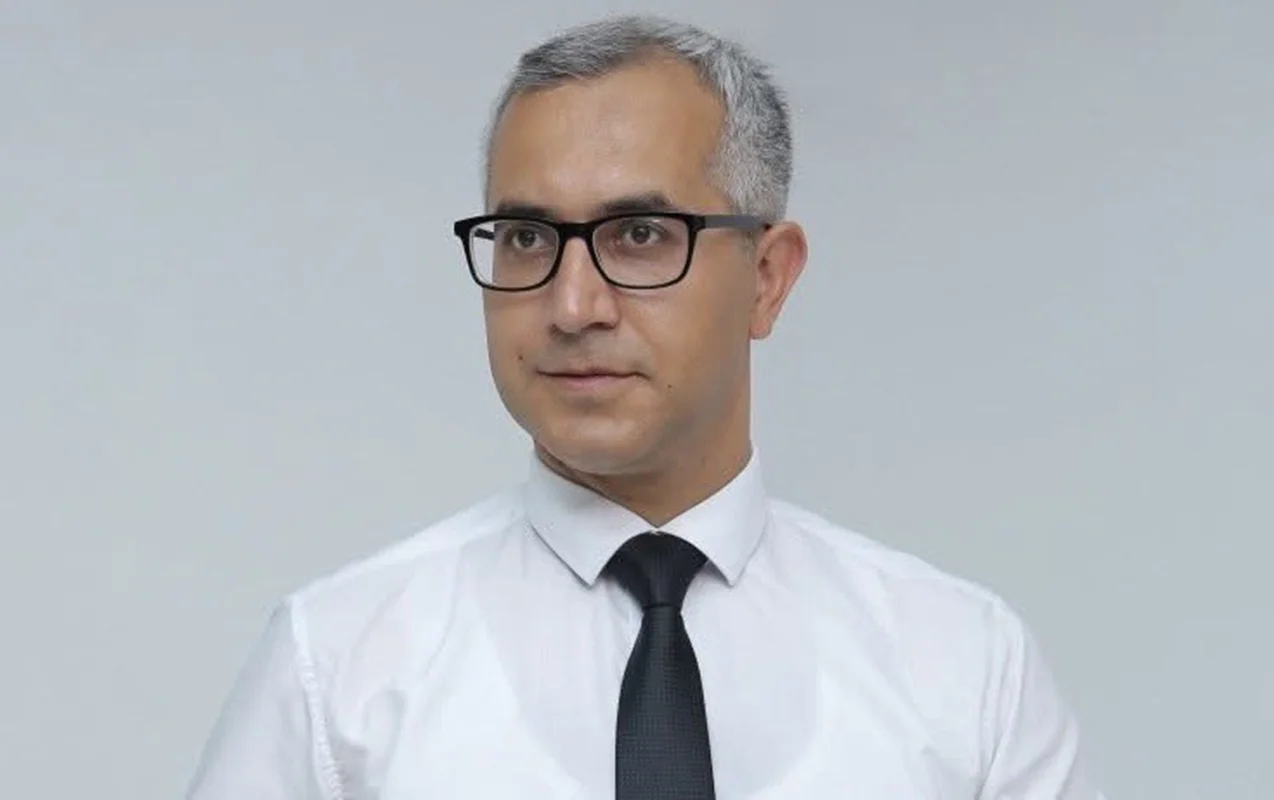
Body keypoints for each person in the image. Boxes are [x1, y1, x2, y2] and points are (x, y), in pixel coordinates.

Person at [186, 13, 1105, 799]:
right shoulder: (337, 668)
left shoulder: (966, 672)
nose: (572, 306)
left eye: (637, 235)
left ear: (768, 278)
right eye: (526, 237)